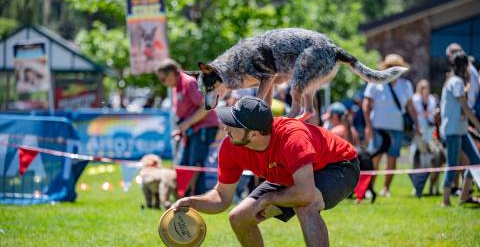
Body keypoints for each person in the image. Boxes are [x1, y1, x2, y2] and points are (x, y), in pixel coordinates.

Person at [172, 96, 359, 247]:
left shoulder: (293, 138)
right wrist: (192, 202)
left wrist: (268, 199)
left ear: (254, 133)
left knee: (305, 204)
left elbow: (305, 193)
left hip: (339, 165)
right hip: (289, 174)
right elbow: (222, 197)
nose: (225, 127)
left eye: (232, 124)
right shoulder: (231, 145)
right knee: (239, 217)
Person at [155, 58, 219, 195]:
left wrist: (187, 123)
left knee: (195, 166)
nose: (163, 83)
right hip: (191, 130)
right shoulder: (175, 86)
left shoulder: (189, 83)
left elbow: (206, 106)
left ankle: (197, 199)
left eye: (163, 79)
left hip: (204, 127)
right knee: (184, 165)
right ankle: (184, 197)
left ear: (172, 73)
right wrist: (182, 127)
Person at [362, 54, 420, 197]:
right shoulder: (375, 82)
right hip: (378, 127)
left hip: (397, 128)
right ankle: (370, 188)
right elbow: (366, 104)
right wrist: (368, 126)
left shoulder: (406, 85)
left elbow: (411, 107)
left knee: (392, 159)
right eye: (390, 67)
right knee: (374, 159)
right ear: (386, 68)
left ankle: (386, 189)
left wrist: (417, 124)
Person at [440, 51, 480, 207]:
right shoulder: (456, 82)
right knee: (453, 164)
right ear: (465, 66)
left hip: (461, 129)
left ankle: (464, 196)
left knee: (476, 162)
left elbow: (462, 109)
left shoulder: (455, 81)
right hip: (453, 130)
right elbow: (464, 106)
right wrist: (477, 125)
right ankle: (445, 200)